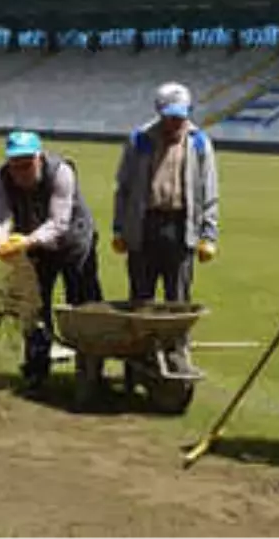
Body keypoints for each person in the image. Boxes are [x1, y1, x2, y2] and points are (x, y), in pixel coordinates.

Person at [110, 82, 219, 369]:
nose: (175, 121)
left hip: (181, 227)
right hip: (144, 225)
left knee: (178, 300)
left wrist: (209, 235)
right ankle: (137, 358)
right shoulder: (139, 140)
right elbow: (123, 187)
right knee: (141, 298)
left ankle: (176, 354)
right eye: (170, 116)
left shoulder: (199, 142)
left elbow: (209, 192)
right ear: (159, 113)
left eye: (180, 115)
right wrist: (119, 229)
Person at [0, 130, 104, 391]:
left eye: (27, 164)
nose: (20, 172)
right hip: (36, 246)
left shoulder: (61, 172)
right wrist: (0, 241)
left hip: (74, 242)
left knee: (83, 306)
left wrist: (27, 241)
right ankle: (36, 369)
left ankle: (90, 370)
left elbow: (59, 222)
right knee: (34, 306)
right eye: (15, 165)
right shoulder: (1, 179)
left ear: (39, 158)